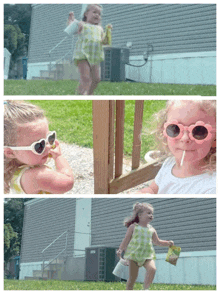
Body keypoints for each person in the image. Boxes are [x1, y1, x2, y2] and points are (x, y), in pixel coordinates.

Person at [139, 100, 216, 194]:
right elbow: (154, 188)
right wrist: (146, 192)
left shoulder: (211, 188)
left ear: (215, 139)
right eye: (175, 128)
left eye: (199, 131)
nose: (185, 138)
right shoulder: (170, 163)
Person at [4, 100, 74, 194]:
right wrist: (58, 157)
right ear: (10, 152)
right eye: (39, 145)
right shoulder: (38, 176)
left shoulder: (8, 169)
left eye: (50, 138)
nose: (48, 146)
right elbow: (68, 182)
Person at [116, 202, 174, 290]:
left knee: (152, 269)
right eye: (148, 213)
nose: (151, 215)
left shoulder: (152, 229)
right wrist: (120, 249)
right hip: (134, 255)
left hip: (147, 255)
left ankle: (145, 289)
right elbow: (126, 239)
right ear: (139, 215)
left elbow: (157, 242)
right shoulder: (133, 227)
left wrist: (168, 243)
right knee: (133, 278)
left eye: (152, 213)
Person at [69, 4, 112, 95]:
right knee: (86, 78)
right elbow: (71, 29)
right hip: (83, 54)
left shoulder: (100, 28)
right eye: (94, 12)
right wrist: (71, 20)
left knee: (96, 79)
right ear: (86, 14)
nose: (97, 15)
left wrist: (107, 34)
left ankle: (89, 94)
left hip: (95, 56)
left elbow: (103, 42)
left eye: (99, 14)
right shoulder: (83, 24)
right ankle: (82, 94)